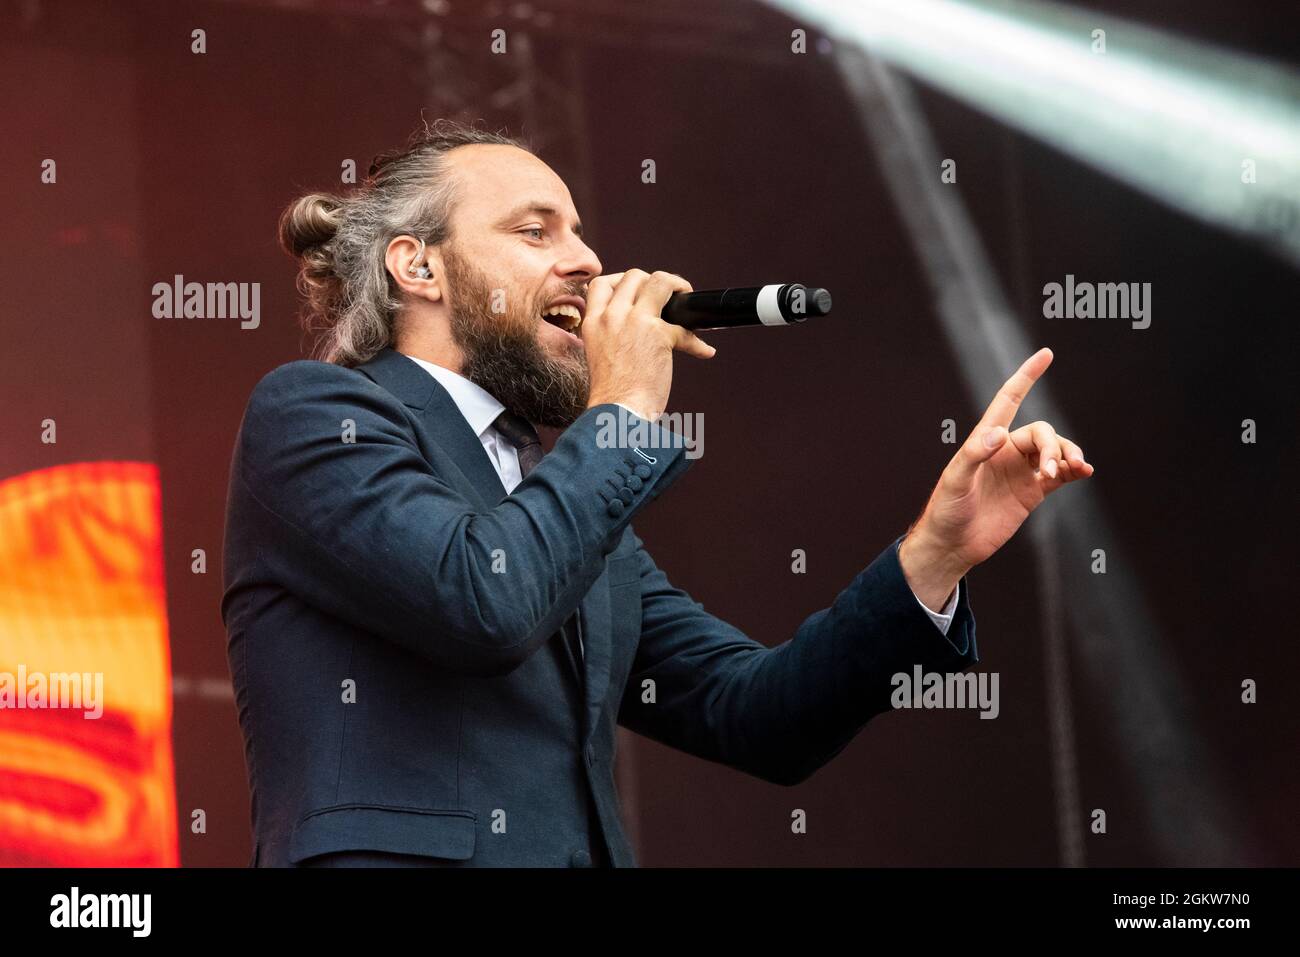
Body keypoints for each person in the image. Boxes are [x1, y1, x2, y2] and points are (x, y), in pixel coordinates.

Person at [220, 119, 1094, 867]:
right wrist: (628, 406)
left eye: (580, 232)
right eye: (536, 232)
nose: (588, 260)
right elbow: (482, 601)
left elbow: (757, 715)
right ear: (419, 267)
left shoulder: (558, 490)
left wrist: (934, 554)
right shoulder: (315, 415)